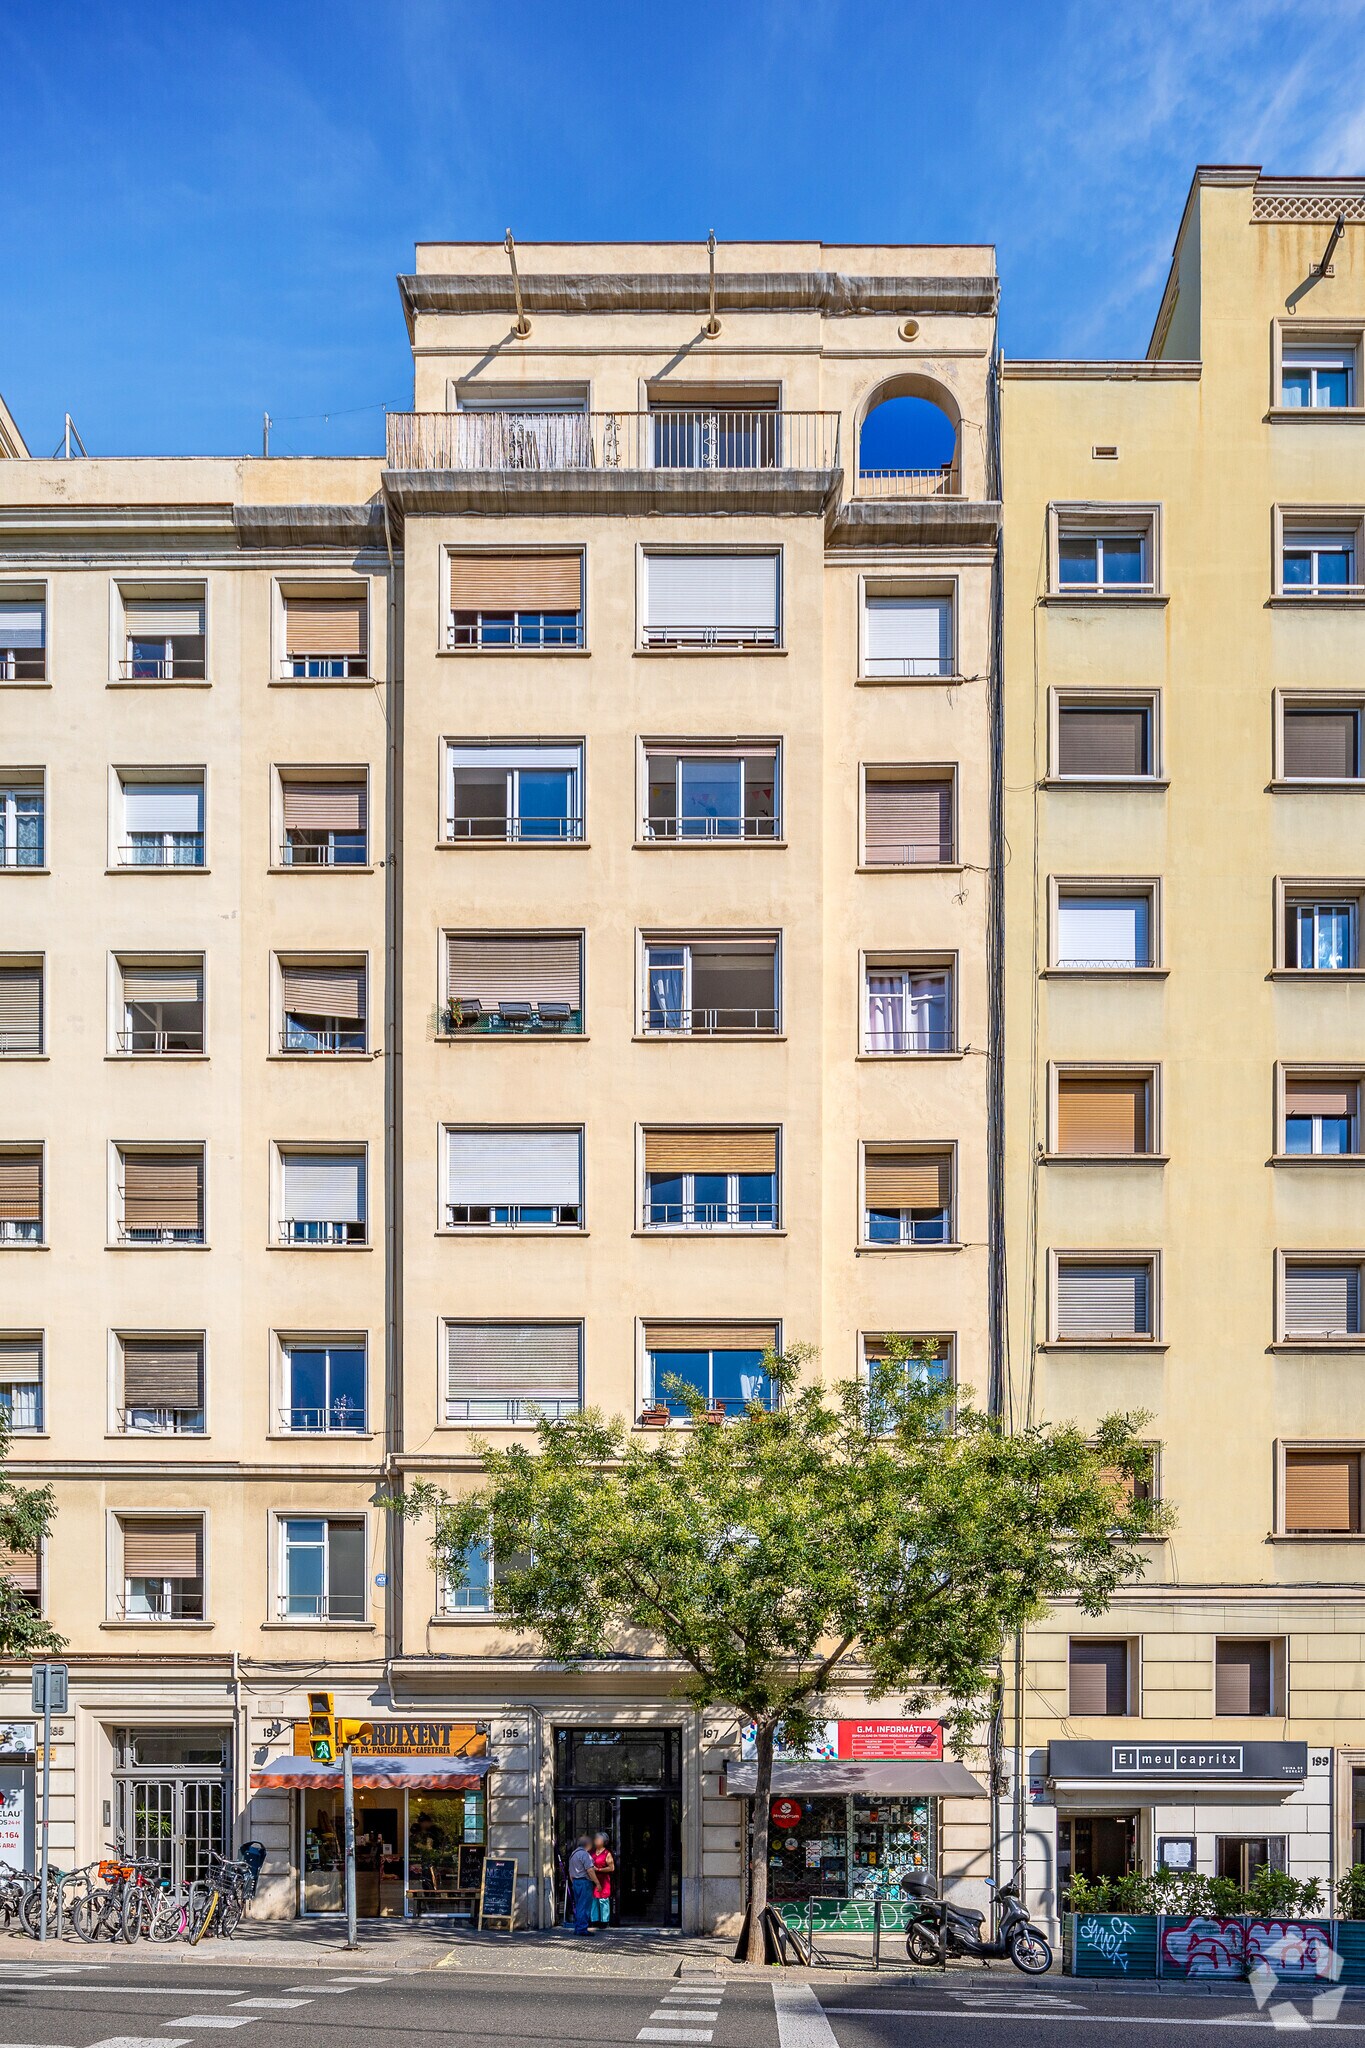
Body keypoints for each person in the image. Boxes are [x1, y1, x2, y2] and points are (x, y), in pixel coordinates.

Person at [567, 1834, 595, 1935]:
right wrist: (597, 1883)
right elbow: (590, 1870)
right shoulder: (585, 1855)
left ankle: (578, 1927)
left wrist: (573, 1882)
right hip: (584, 1882)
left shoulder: (573, 1854)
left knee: (579, 1905)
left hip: (576, 1882)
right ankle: (582, 1929)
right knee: (584, 1906)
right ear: (587, 1844)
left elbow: (570, 1872)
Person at [590, 1832, 615, 1927]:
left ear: (604, 1841)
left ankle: (604, 1921)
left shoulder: (607, 1853)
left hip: (603, 1880)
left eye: (598, 1839)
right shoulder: (591, 1852)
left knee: (603, 1900)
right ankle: (594, 1920)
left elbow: (612, 1868)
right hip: (593, 1879)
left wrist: (599, 1869)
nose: (596, 1840)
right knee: (594, 1900)